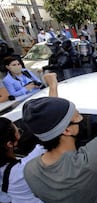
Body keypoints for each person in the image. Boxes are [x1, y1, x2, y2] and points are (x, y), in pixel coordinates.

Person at [22, 60, 97, 202]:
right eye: (77, 116)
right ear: (67, 130)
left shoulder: (30, 171)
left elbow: (52, 121)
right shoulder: (86, 163)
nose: (81, 118)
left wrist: (53, 86)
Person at [0, 73, 58, 203]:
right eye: (18, 130)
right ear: (10, 143)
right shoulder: (21, 170)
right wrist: (53, 86)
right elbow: (51, 125)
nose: (20, 131)